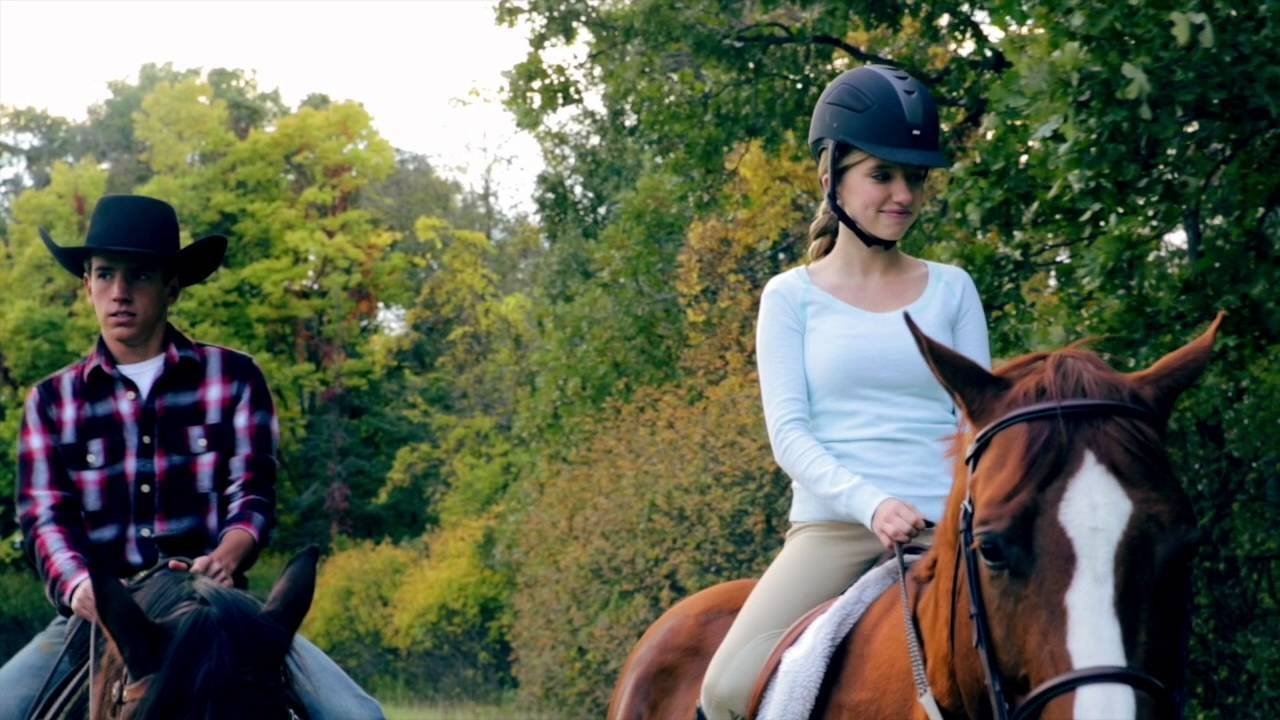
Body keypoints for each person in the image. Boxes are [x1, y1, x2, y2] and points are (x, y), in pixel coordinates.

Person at [0, 195, 384, 720]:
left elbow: (252, 490)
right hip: (101, 616)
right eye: (105, 274)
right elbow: (45, 518)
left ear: (171, 286)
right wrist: (81, 586)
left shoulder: (234, 378)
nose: (119, 293)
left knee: (356, 715)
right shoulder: (52, 400)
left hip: (214, 606)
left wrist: (229, 553)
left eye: (138, 276)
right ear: (86, 284)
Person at [698, 65, 992, 719]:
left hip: (948, 533)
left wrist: (966, 516)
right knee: (723, 689)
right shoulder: (790, 297)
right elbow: (790, 435)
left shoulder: (953, 289)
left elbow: (980, 424)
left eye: (914, 178)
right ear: (831, 176)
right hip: (835, 529)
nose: (903, 195)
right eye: (882, 175)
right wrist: (872, 504)